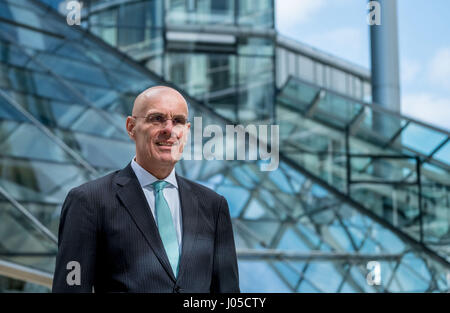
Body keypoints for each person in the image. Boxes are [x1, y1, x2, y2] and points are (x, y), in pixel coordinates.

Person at [52, 86, 240, 293]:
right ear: (131, 127)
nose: (168, 129)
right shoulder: (89, 201)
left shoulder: (212, 205)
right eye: (157, 119)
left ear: (186, 132)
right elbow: (70, 288)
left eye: (177, 121)